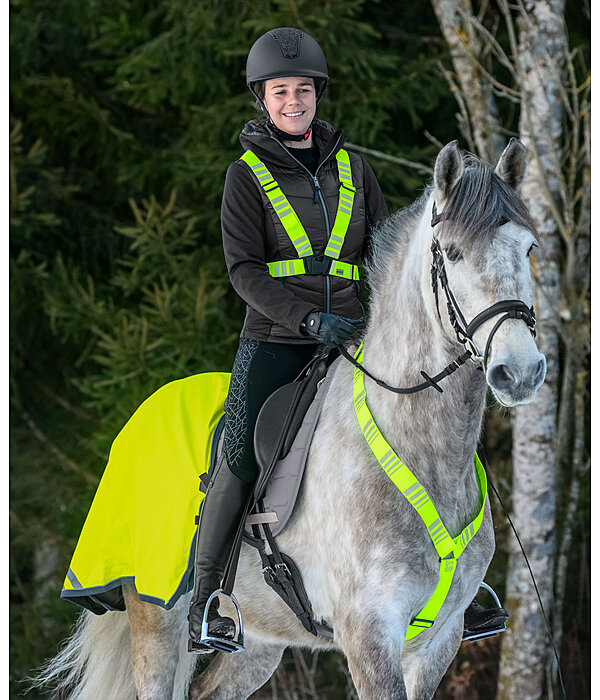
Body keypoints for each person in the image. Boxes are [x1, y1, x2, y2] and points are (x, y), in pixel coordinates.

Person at [187, 27, 388, 653]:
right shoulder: (244, 176)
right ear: (262, 98)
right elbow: (243, 270)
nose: (293, 100)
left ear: (317, 95)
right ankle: (208, 599)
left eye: (303, 90)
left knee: (435, 413)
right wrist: (304, 321)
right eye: (281, 91)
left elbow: (382, 251)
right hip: (277, 338)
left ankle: (469, 580)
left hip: (357, 335)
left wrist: (371, 318)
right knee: (240, 451)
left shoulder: (356, 168)